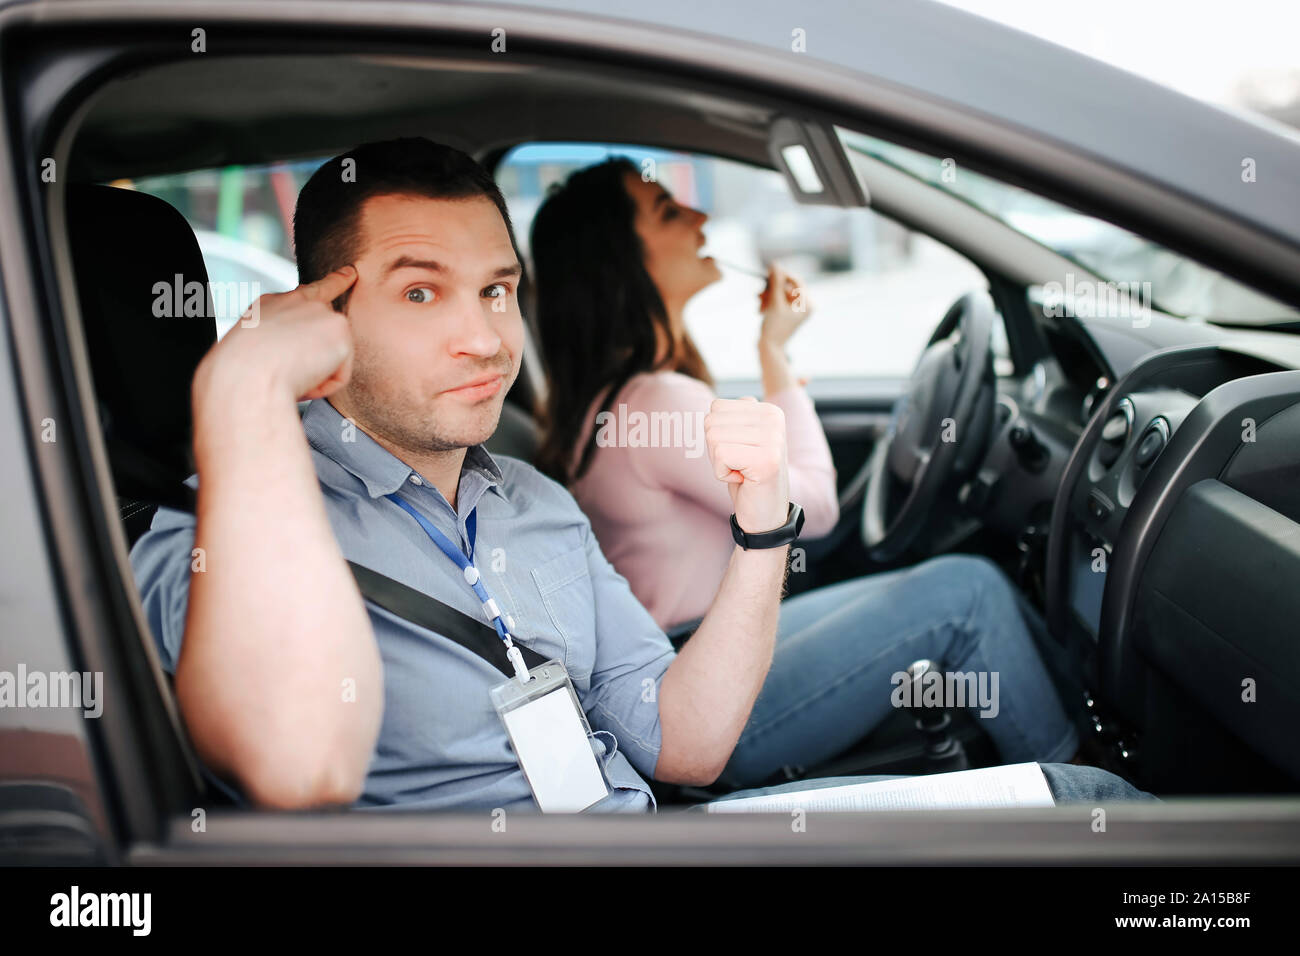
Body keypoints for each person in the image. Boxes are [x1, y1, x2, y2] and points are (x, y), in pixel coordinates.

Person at [130, 137, 1149, 812]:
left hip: (654, 829)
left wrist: (761, 531)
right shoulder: (224, 523)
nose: (484, 336)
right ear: (322, 315)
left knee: (1078, 800)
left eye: (496, 289)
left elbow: (684, 744)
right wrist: (242, 387)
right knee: (1095, 814)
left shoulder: (532, 503)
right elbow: (298, 765)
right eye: (420, 291)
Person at [529, 158, 1083, 785]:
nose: (700, 216)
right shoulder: (654, 402)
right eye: (667, 211)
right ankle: (1085, 783)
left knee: (968, 584)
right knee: (969, 594)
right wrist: (776, 354)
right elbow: (813, 509)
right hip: (708, 697)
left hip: (695, 660)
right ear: (616, 261)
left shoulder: (606, 404)